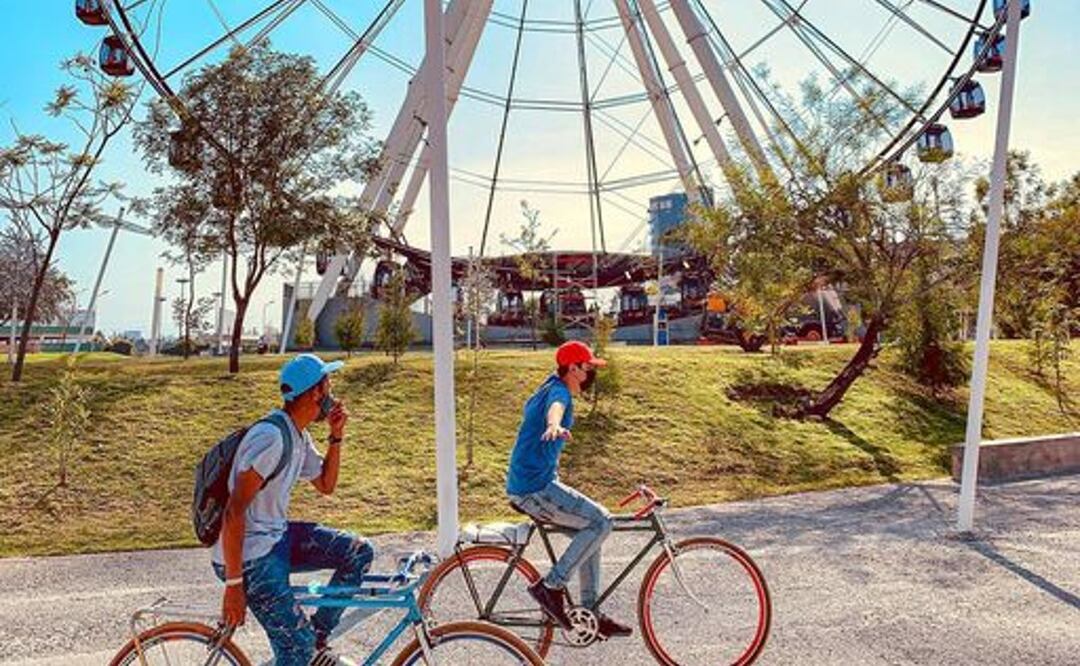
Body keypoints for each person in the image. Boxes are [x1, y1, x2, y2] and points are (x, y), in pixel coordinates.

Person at [213, 353, 372, 666]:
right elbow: (233, 513)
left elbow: (326, 484)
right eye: (329, 385)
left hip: (275, 538)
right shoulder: (271, 437)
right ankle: (303, 650)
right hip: (251, 557)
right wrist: (233, 586)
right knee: (294, 650)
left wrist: (336, 436)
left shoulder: (297, 434)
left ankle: (316, 641)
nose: (332, 394)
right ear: (316, 392)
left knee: (358, 552)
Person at [505, 340, 632, 639]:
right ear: (573, 369)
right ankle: (552, 586)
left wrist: (552, 425)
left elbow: (552, 404)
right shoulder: (559, 391)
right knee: (602, 521)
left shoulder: (547, 385)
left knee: (592, 531)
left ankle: (591, 614)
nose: (591, 375)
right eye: (587, 368)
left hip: (534, 484)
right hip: (534, 489)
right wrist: (554, 425)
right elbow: (556, 408)